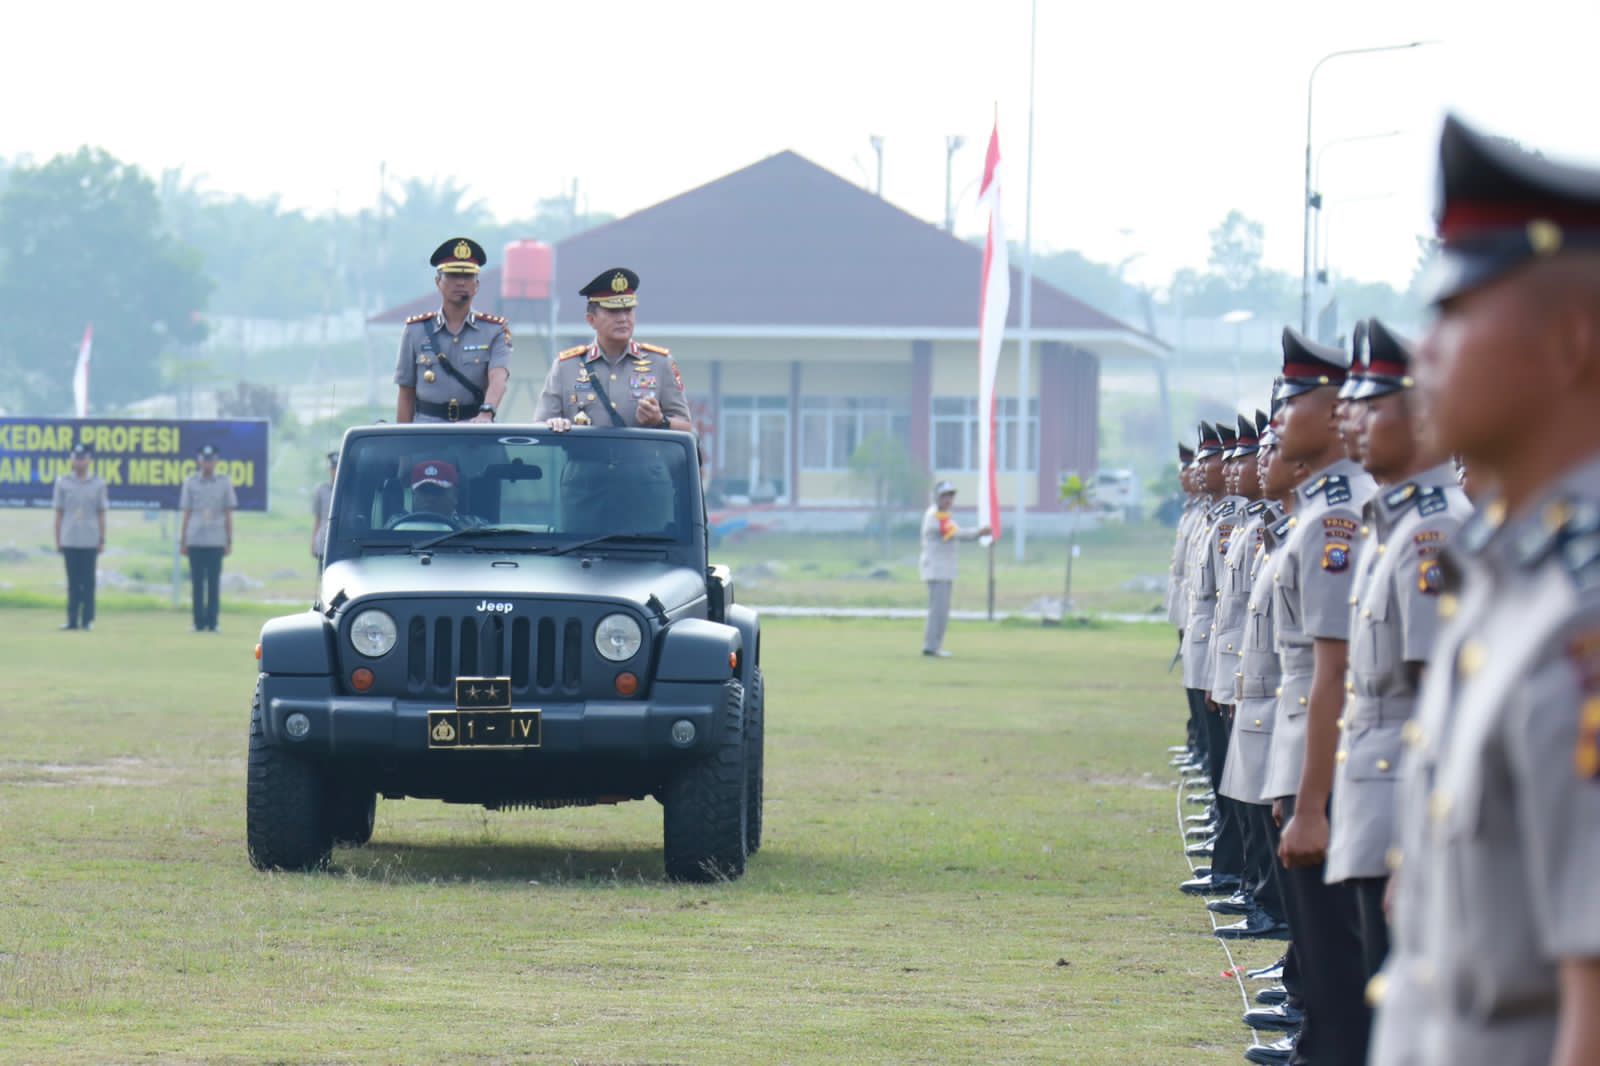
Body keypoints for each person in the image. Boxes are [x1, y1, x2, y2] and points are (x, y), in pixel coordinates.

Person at [1370, 114, 1600, 1066]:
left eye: (1457, 314)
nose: (1425, 350)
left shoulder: (1581, 616)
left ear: (1573, 343)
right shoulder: (1510, 581)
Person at [1322, 317, 1471, 994]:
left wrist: (1417, 847)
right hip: (1374, 803)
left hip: (1401, 815)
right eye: (1349, 405)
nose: (1351, 421)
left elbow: (1445, 702)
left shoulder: (1435, 530)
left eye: (1373, 405)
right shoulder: (1397, 524)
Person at [1262, 326, 1376, 1066]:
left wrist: (1308, 799)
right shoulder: (1320, 507)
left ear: (1334, 411)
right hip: (1310, 743)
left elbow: (1335, 670)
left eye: (1292, 399)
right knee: (1322, 939)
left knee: (1338, 951)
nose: (1277, 416)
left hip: (1334, 753)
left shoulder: (1339, 515)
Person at [535, 268, 693, 433]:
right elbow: (540, 425)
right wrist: (554, 424)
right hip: (585, 459)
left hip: (640, 458)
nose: (623, 318)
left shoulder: (661, 363)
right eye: (613, 311)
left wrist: (660, 420)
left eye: (628, 310)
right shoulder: (565, 367)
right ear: (591, 319)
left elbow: (687, 427)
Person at [394, 238, 511, 423]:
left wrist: (486, 413)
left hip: (475, 427)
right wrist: (403, 443)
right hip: (428, 430)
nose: (461, 282)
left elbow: (498, 378)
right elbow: (406, 392)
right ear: (438, 282)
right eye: (453, 275)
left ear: (477, 284)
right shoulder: (415, 331)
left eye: (467, 277)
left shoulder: (494, 330)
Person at [918, 481, 989, 658]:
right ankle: (931, 646)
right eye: (944, 496)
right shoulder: (936, 516)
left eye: (950, 496)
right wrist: (979, 533)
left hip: (944, 570)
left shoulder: (944, 516)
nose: (948, 499)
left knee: (941, 610)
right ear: (937, 497)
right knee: (938, 611)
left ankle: (934, 646)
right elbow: (957, 533)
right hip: (937, 570)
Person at [179, 444, 236, 632]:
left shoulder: (224, 483)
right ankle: (198, 622)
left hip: (216, 539)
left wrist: (229, 539)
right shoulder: (191, 482)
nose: (207, 463)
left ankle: (213, 622)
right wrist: (183, 540)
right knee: (196, 583)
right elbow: (186, 513)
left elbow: (228, 513)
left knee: (213, 583)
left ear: (216, 461)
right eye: (204, 459)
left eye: (211, 460)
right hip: (195, 538)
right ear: (199, 461)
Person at [52, 442, 108, 631]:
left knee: (88, 582)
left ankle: (87, 620)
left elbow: (101, 513)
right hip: (70, 538)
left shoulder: (98, 483)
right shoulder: (63, 483)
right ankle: (72, 620)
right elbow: (59, 513)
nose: (79, 462)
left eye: (83, 458)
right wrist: (57, 538)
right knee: (73, 583)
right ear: (71, 460)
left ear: (89, 460)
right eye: (76, 458)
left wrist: (102, 539)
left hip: (90, 539)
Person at [387, 460, 480, 529]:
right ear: (413, 495)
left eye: (437, 491)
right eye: (424, 491)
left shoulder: (474, 526)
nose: (430, 498)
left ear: (455, 495)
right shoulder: (396, 525)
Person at [311, 451, 336, 564]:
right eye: (333, 468)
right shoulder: (322, 490)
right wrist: (313, 541)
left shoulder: (349, 490)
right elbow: (318, 519)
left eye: (337, 468)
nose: (335, 472)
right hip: (323, 541)